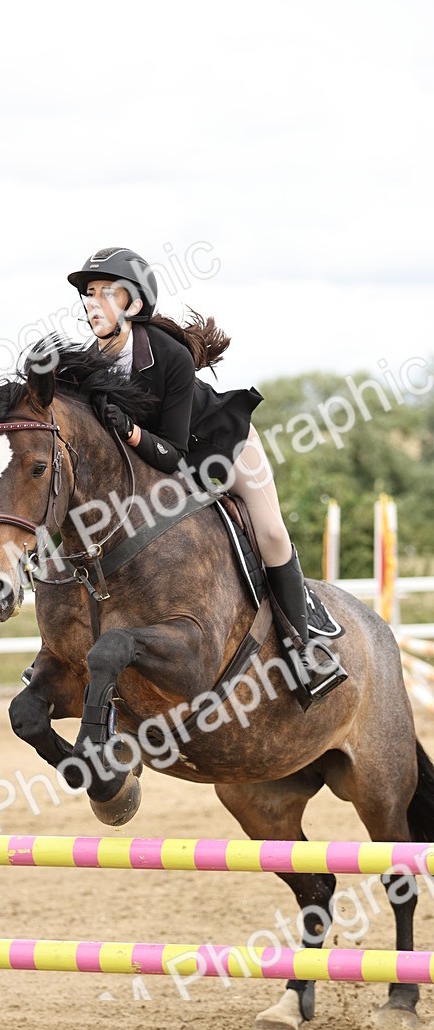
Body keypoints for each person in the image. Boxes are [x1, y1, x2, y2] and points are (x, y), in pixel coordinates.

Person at [64, 245, 347, 709]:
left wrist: (129, 430)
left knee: (272, 533)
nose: (92, 303)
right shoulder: (85, 365)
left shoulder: (169, 356)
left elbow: (173, 451)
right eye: (89, 294)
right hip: (154, 468)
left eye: (105, 293)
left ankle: (305, 649)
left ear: (133, 304)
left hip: (220, 447)